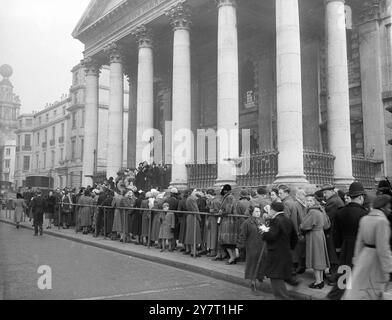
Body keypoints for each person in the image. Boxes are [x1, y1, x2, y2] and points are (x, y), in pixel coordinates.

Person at [343, 194, 392, 300]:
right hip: (376, 260)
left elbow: (359, 242)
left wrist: (356, 260)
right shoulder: (382, 222)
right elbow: (383, 249)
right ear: (383, 207)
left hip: (364, 258)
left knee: (360, 289)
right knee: (373, 290)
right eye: (389, 207)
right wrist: (389, 268)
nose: (390, 210)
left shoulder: (365, 219)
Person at [327, 181, 368, 300]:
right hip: (359, 249)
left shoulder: (340, 212)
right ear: (361, 197)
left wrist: (339, 249)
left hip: (345, 248)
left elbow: (336, 234)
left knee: (343, 279)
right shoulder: (365, 213)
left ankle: (335, 297)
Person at [262, 201, 299, 300]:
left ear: (273, 210)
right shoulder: (288, 220)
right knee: (282, 274)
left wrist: (264, 231)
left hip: (276, 253)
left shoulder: (275, 221)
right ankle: (291, 284)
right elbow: (295, 238)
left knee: (275, 277)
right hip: (286, 252)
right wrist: (288, 247)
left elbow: (271, 236)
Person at [300, 194, 330, 289]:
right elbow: (327, 225)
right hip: (320, 234)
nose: (308, 203)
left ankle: (318, 282)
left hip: (314, 235)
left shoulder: (312, 212)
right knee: (320, 258)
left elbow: (304, 226)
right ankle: (320, 280)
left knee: (316, 258)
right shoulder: (321, 210)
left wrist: (301, 226)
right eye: (307, 200)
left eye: (310, 201)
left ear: (314, 202)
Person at [237, 205, 267, 296]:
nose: (258, 213)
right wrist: (239, 247)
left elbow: (266, 231)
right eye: (256, 211)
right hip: (252, 247)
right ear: (252, 212)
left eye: (259, 211)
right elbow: (242, 235)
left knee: (261, 263)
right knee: (253, 264)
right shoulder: (247, 223)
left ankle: (260, 277)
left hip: (261, 246)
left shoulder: (262, 220)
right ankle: (252, 282)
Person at [319, 183, 344, 285]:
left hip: (333, 232)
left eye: (326, 192)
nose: (324, 195)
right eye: (324, 193)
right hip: (336, 231)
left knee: (333, 255)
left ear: (332, 191)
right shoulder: (336, 199)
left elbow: (327, 218)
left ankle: (335, 278)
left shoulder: (332, 202)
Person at [278, 185, 303, 276]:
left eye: (281, 193)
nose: (279, 195)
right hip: (295, 230)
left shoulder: (286, 203)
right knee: (295, 251)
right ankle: (295, 268)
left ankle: (291, 270)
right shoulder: (294, 201)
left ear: (286, 193)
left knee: (290, 251)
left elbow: (285, 219)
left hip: (289, 231)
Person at [217, 184, 238, 264]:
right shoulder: (229, 196)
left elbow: (228, 209)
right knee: (229, 240)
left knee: (226, 240)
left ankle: (232, 258)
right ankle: (233, 257)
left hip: (228, 221)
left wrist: (221, 211)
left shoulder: (229, 197)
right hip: (229, 220)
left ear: (225, 190)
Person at [185, 189, 202, 257]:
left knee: (191, 234)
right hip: (193, 217)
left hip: (190, 216)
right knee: (194, 234)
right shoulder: (192, 199)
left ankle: (192, 250)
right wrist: (199, 218)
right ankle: (194, 251)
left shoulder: (188, 198)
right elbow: (195, 209)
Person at [205, 189, 221, 257]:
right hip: (211, 219)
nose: (207, 197)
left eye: (208, 195)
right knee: (210, 234)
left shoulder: (215, 201)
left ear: (211, 195)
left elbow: (218, 211)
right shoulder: (211, 201)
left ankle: (213, 250)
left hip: (214, 219)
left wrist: (211, 210)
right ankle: (211, 249)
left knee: (213, 234)